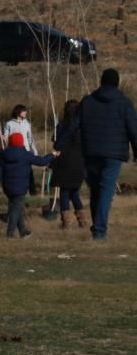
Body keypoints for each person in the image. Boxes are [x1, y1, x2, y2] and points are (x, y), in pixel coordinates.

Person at [63, 68, 137, 240]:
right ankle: (99, 230)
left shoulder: (88, 101)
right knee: (105, 191)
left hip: (90, 152)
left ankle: (97, 228)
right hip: (113, 155)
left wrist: (60, 144)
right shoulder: (124, 103)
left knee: (96, 191)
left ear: (102, 81)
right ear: (117, 83)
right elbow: (134, 130)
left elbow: (74, 125)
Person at [0, 132, 55, 239]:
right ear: (21, 142)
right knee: (15, 208)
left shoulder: (4, 154)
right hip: (20, 187)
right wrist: (52, 155)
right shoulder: (26, 155)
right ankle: (10, 233)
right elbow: (42, 161)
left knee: (16, 206)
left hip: (7, 186)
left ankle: (23, 231)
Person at [50, 100, 86, 229]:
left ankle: (67, 222)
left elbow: (56, 142)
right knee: (74, 191)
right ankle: (82, 220)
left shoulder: (62, 125)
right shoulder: (82, 126)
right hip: (78, 161)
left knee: (65, 191)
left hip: (64, 161)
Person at [4, 104, 39, 195]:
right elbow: (6, 138)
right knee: (16, 172)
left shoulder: (27, 124)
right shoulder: (9, 124)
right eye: (24, 111)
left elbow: (30, 138)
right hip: (13, 151)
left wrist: (34, 150)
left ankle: (29, 191)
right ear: (18, 112)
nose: (26, 112)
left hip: (25, 151)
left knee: (27, 171)